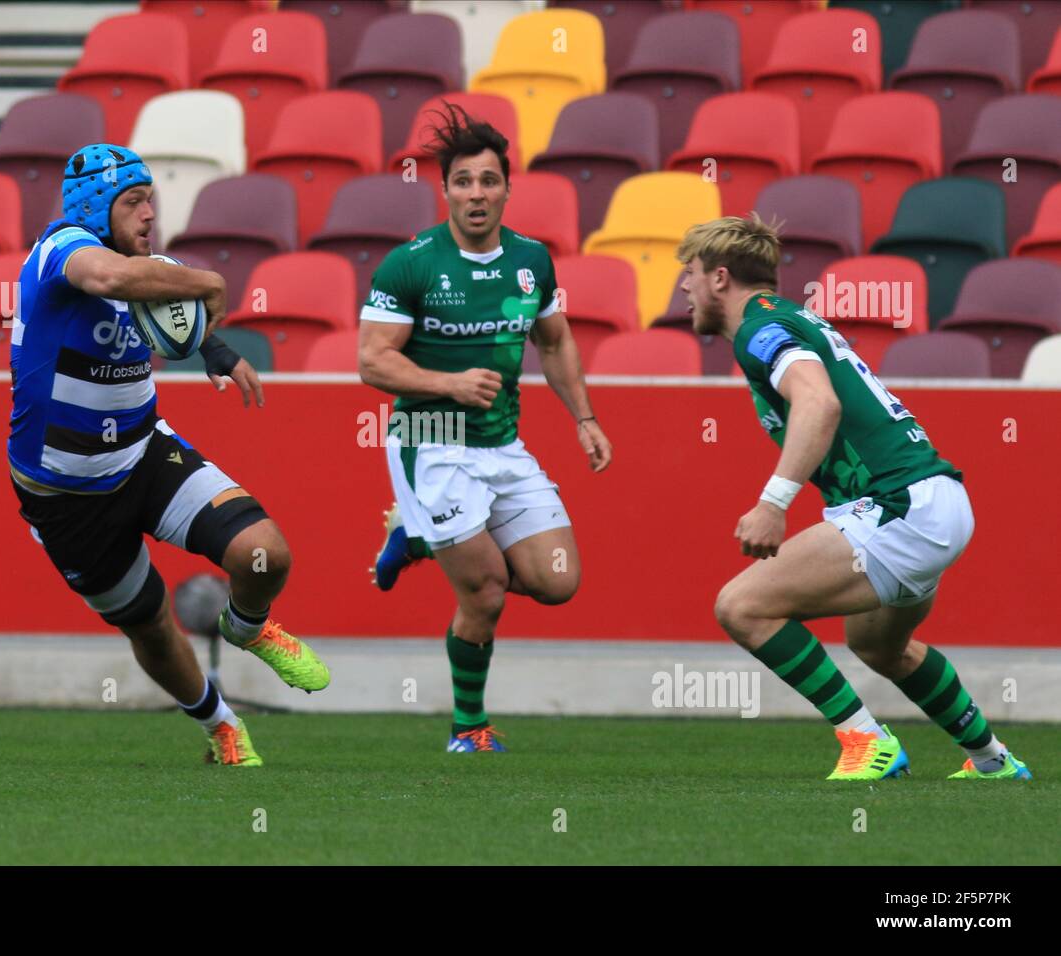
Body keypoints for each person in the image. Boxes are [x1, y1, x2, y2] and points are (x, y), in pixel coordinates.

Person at [7, 144, 330, 767]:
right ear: (95, 208)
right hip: (65, 495)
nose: (150, 213)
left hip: (144, 452)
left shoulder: (150, 264)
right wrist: (211, 280)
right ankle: (221, 724)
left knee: (266, 554)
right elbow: (112, 281)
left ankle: (246, 624)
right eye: (134, 201)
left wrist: (218, 350)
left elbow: (174, 314)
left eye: (151, 199)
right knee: (149, 623)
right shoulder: (61, 251)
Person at [678, 212, 1031, 781]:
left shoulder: (758, 328)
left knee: (741, 606)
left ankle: (868, 743)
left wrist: (774, 501)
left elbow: (819, 403)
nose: (684, 288)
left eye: (689, 273)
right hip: (932, 499)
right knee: (880, 646)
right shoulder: (786, 318)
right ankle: (993, 760)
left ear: (720, 277)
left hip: (899, 505)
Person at [358, 106, 612, 753]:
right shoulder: (411, 265)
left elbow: (554, 344)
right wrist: (447, 384)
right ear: (445, 189)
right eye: (464, 182)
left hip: (502, 442)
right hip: (431, 437)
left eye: (489, 181)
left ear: (506, 188)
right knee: (486, 593)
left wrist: (583, 418)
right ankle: (467, 728)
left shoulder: (531, 261)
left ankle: (415, 537)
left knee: (559, 581)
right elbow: (372, 361)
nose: (477, 194)